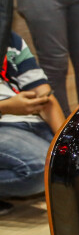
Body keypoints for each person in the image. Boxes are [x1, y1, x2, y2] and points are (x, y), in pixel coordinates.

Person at [0, 31, 66, 214]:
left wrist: (66, 142)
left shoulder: (10, 39)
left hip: (31, 121)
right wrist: (4, 108)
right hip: (5, 123)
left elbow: (45, 96)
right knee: (39, 169)